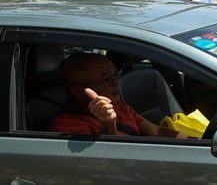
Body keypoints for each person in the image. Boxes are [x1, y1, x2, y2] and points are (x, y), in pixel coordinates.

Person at [48, 52, 178, 137]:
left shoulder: (119, 106)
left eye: (116, 75)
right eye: (107, 80)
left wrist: (195, 140)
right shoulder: (67, 128)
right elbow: (108, 160)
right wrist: (108, 123)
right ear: (77, 91)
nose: (117, 83)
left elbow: (157, 131)